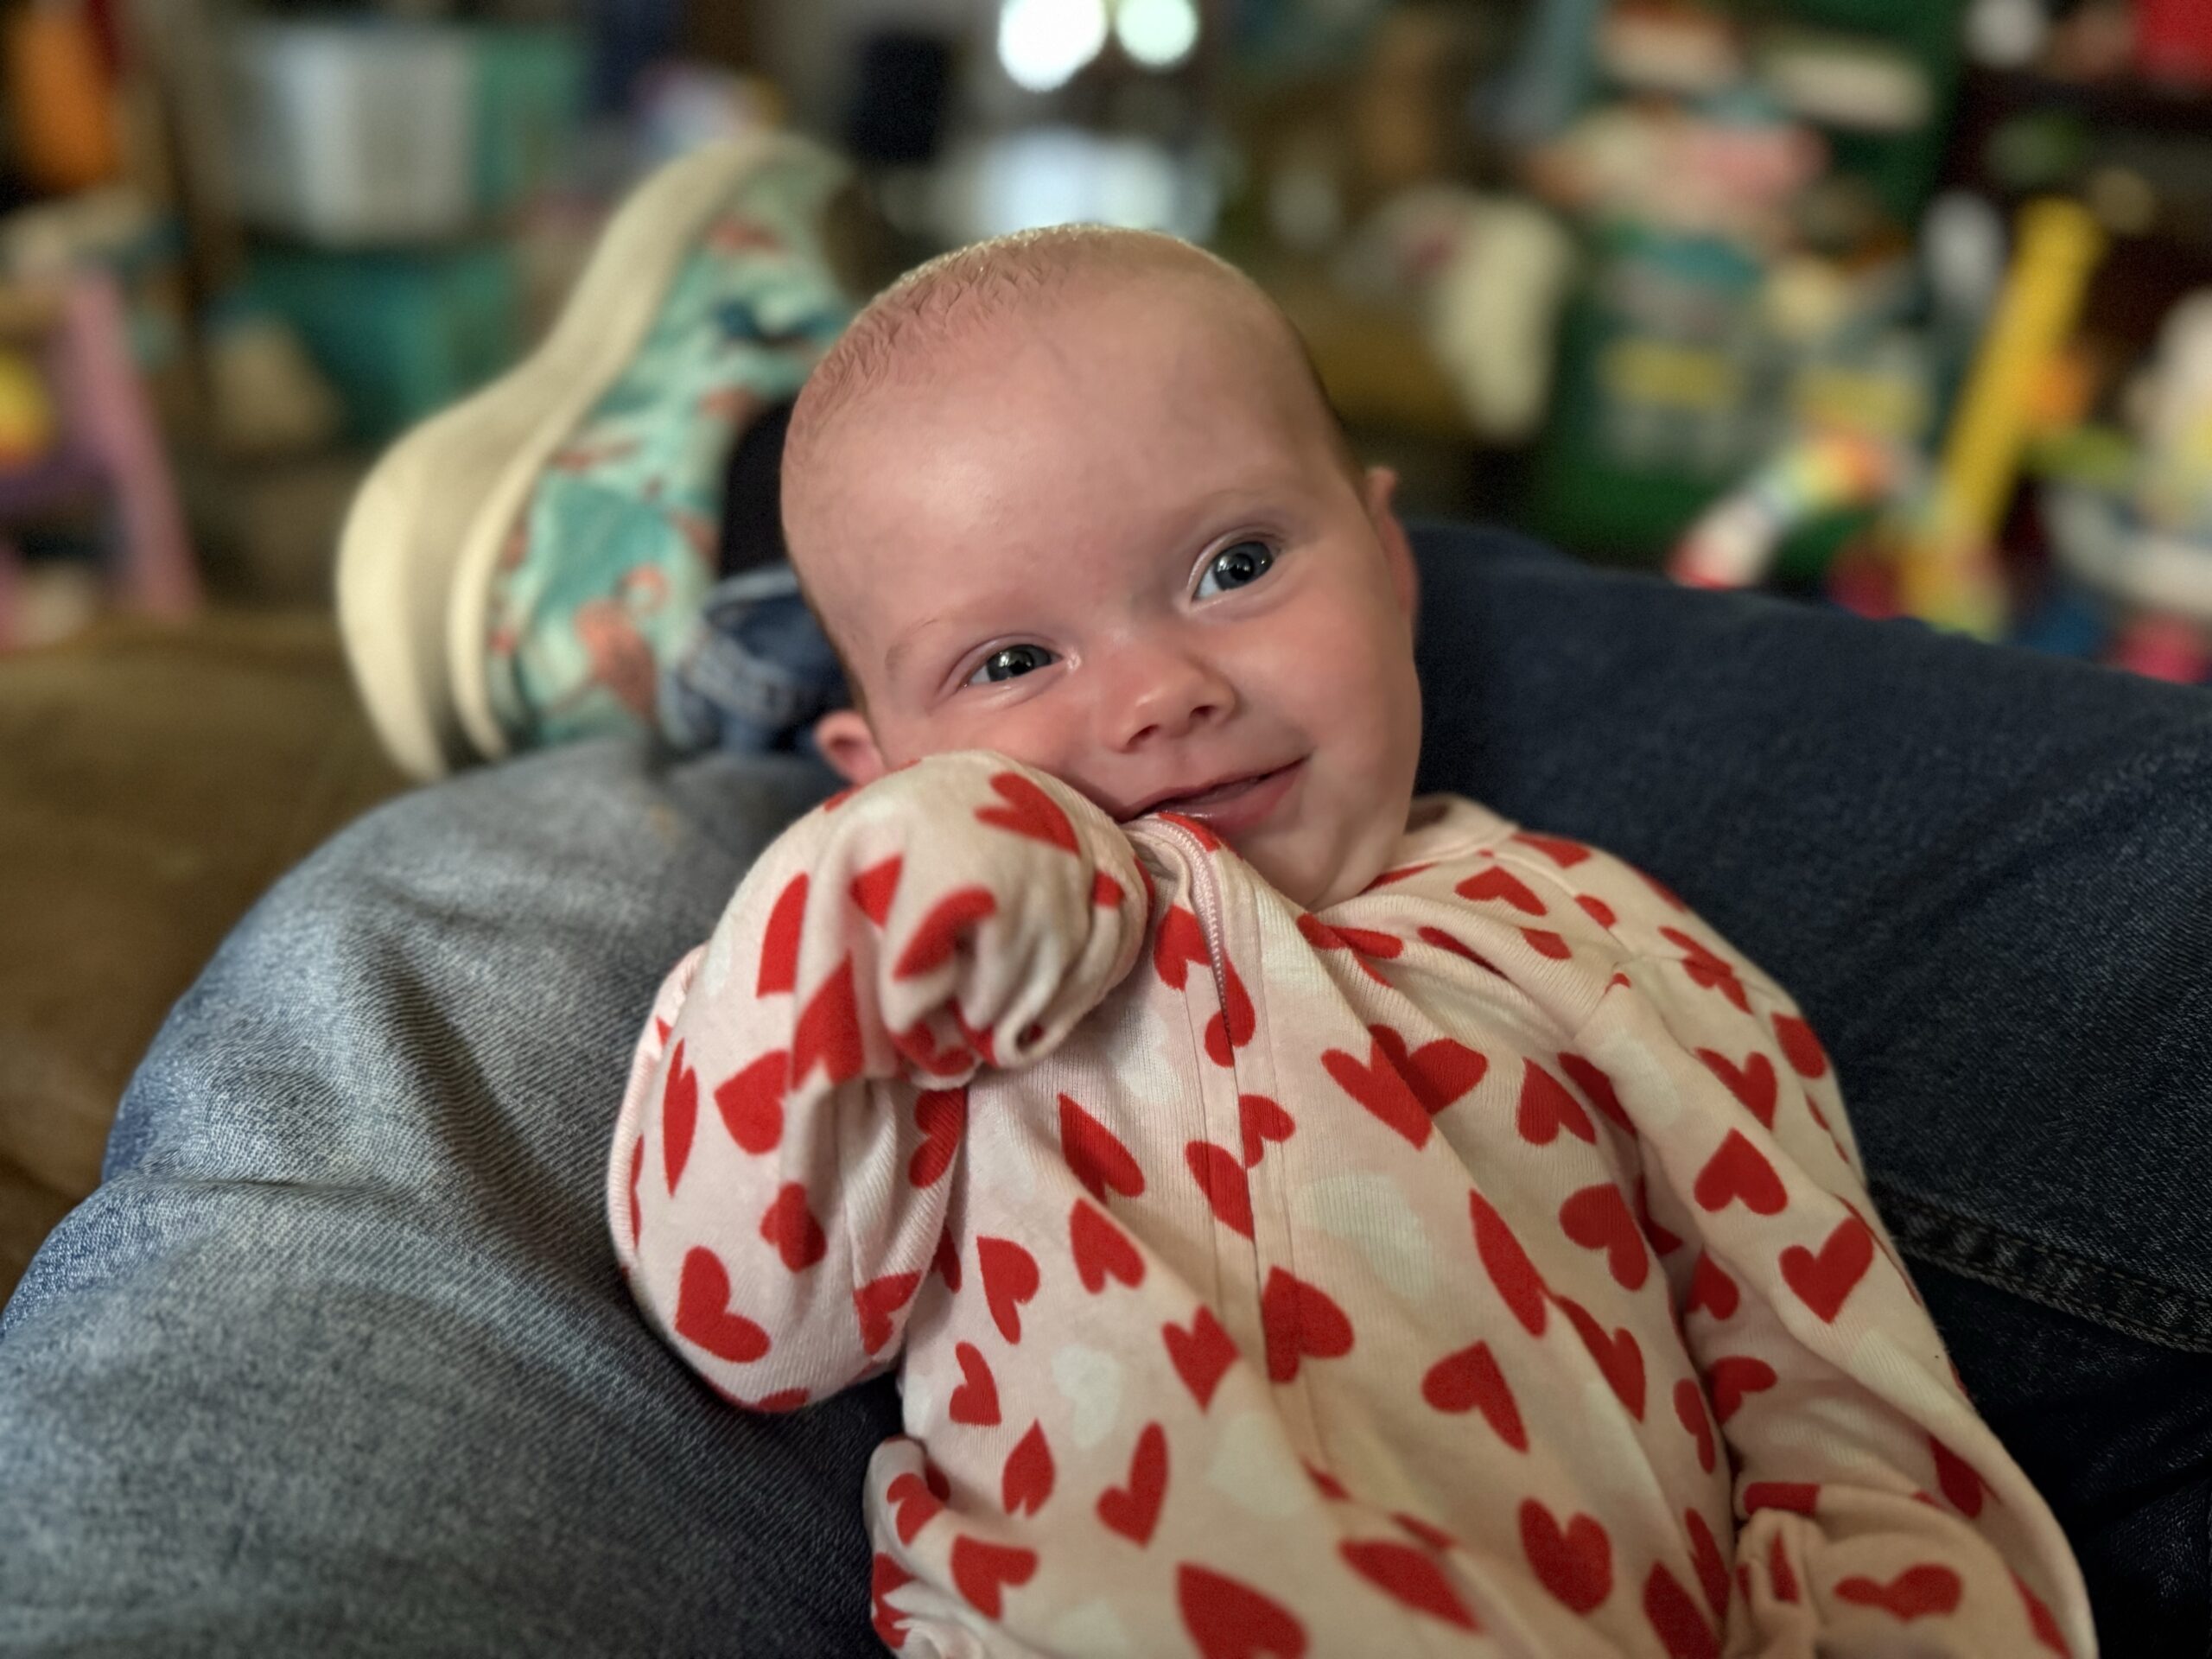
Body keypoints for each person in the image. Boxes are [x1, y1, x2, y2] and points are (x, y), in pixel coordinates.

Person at [608, 226, 2094, 1655]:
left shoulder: (1592, 935)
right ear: (874, 766)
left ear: (1390, 565)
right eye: (1010, 661)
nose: (1162, 694)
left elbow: (1836, 1389)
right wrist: (884, 885)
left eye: (1235, 566)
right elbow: (757, 1330)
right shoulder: (911, 999)